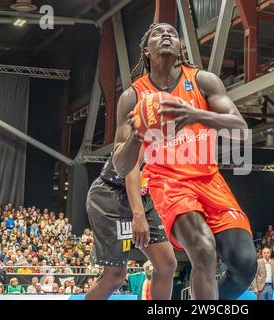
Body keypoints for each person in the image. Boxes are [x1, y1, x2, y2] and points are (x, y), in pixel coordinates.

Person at [113, 23, 257, 300]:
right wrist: (137, 134)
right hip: (169, 183)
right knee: (203, 250)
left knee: (245, 264)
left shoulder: (204, 81)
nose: (166, 34)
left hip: (210, 180)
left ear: (181, 47)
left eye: (172, 32)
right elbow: (121, 166)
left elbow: (240, 129)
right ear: (146, 51)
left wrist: (196, 115)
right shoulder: (132, 96)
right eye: (157, 32)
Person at [85, 153, 177, 300]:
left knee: (166, 264)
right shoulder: (146, 131)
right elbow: (131, 166)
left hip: (145, 196)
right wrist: (138, 215)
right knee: (115, 275)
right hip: (112, 196)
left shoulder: (184, 136)